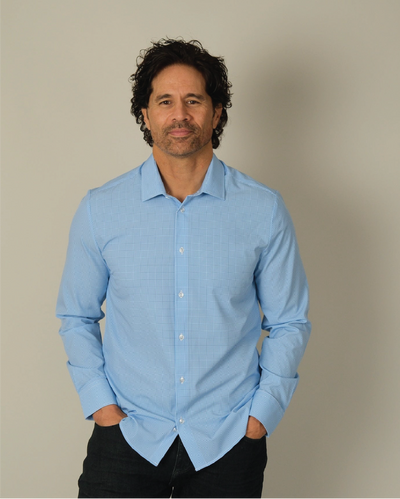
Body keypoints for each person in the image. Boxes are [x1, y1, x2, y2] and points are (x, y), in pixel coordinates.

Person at [56, 38, 311, 498]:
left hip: (228, 439)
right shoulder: (101, 209)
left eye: (194, 100)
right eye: (165, 101)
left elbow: (289, 321)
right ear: (145, 114)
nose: (180, 115)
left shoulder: (263, 210)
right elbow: (76, 315)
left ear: (216, 113)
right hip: (128, 435)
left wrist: (261, 416)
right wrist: (102, 408)